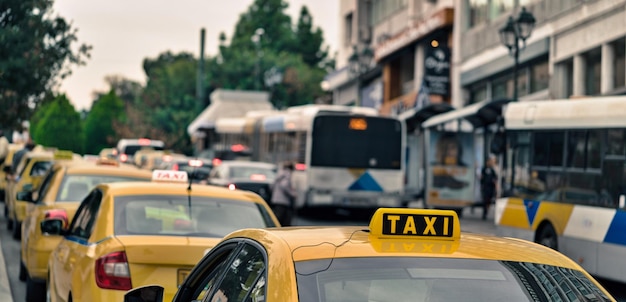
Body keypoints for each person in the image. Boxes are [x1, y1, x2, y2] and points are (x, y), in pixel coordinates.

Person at [271, 161, 296, 226]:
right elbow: (284, 185)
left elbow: (272, 186)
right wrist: (292, 194)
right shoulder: (287, 174)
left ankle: (275, 227)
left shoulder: (279, 174)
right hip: (283, 200)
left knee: (277, 217)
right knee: (284, 219)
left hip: (276, 199)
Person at [480, 155, 498, 220]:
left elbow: (495, 178)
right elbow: (481, 178)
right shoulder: (484, 169)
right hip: (485, 187)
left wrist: (495, 187)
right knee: (485, 200)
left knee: (489, 201)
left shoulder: (492, 170)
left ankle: (486, 211)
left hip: (491, 188)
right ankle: (484, 213)